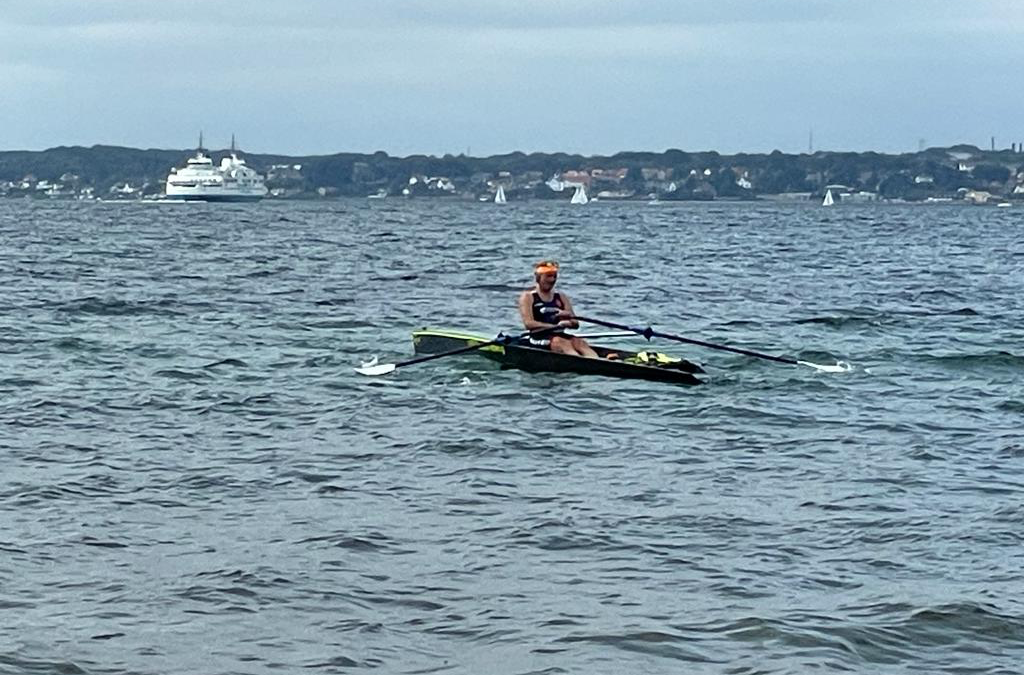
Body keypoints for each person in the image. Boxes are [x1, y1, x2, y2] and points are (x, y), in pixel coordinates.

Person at [517, 260, 599, 358]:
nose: (552, 280)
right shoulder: (528, 297)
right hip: (538, 337)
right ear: (538, 277)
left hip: (560, 336)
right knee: (560, 342)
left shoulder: (561, 297)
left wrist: (569, 321)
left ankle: (600, 362)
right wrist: (554, 326)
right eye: (548, 276)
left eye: (554, 276)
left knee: (580, 342)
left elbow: (575, 324)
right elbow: (528, 324)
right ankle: (582, 363)